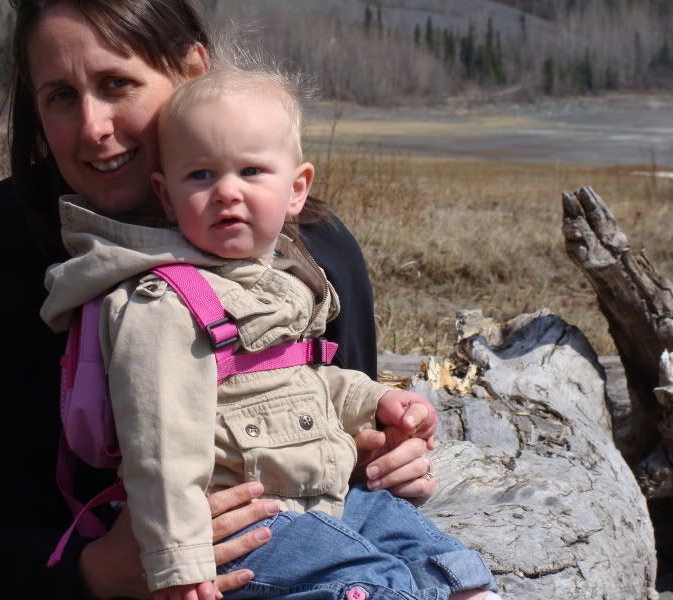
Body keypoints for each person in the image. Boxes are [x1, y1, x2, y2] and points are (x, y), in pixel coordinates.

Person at [0, 2, 439, 599]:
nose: (93, 126)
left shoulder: (311, 251)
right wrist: (98, 572)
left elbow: (334, 401)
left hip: (254, 518)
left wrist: (385, 451)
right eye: (61, 96)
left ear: (192, 68)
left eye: (117, 84)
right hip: (41, 533)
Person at [41, 66, 499, 600]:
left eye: (251, 171)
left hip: (322, 494)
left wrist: (376, 403)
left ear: (297, 188)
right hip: (244, 516)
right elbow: (159, 444)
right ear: (166, 197)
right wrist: (177, 563)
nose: (227, 193)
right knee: (369, 583)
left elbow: (300, 379)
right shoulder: (162, 303)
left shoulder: (279, 280)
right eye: (201, 176)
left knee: (433, 553)